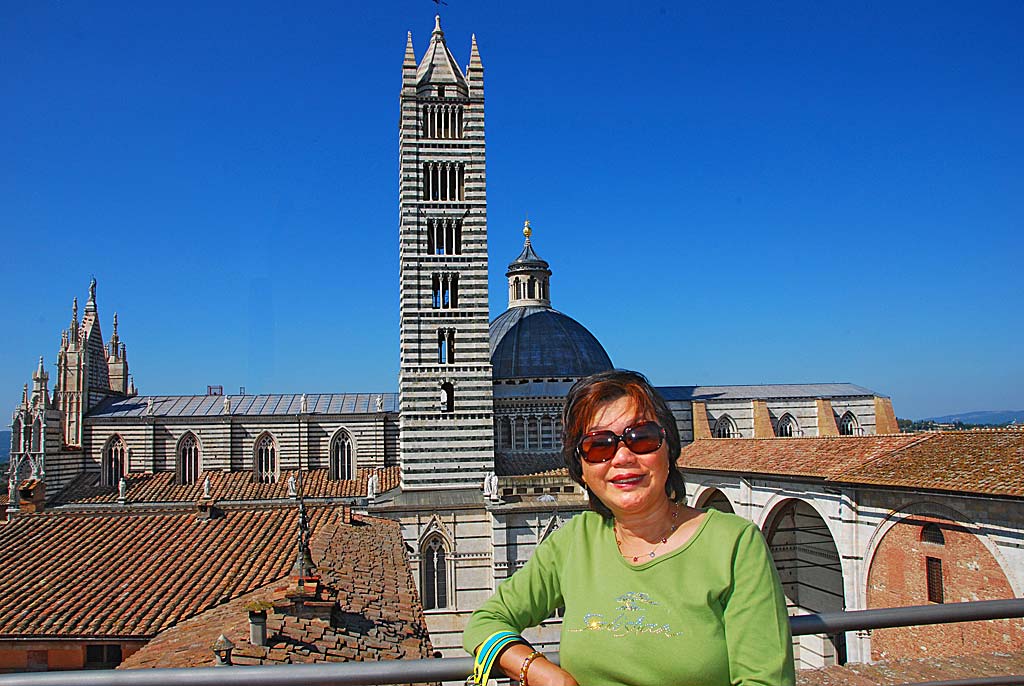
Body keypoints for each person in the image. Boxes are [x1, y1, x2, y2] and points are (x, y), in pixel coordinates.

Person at [463, 370, 795, 686]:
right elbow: (484, 622)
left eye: (642, 438)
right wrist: (543, 674)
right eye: (598, 445)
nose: (622, 457)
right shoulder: (574, 543)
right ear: (581, 468)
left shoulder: (733, 545)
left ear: (669, 448)